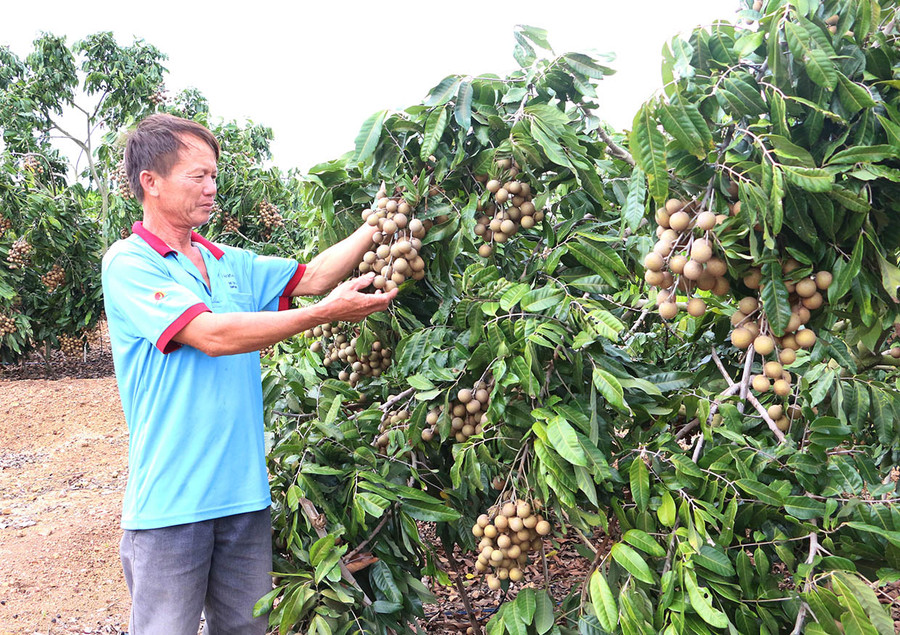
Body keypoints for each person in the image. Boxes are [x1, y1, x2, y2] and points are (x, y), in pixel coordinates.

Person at [101, 113, 396, 635]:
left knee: (246, 630)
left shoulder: (226, 260)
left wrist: (385, 215)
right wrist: (322, 314)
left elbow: (317, 276)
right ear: (151, 182)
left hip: (244, 498)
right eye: (198, 176)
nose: (212, 188)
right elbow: (211, 336)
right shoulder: (129, 263)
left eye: (215, 175)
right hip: (172, 503)